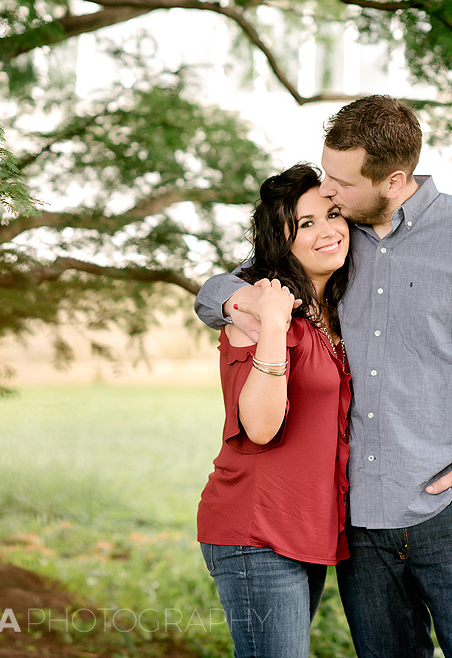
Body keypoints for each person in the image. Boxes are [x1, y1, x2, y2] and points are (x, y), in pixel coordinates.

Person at [195, 96, 452, 658]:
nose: (329, 192)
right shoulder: (334, 242)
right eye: (326, 176)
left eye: (340, 183)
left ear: (392, 180)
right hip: (360, 526)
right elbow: (217, 291)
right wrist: (245, 303)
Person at [196, 163, 353, 658]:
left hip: (303, 529)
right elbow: (260, 429)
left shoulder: (335, 312)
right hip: (256, 530)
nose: (328, 230)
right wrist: (270, 322)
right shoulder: (258, 310)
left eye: (332, 214)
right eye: (306, 224)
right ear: (281, 243)